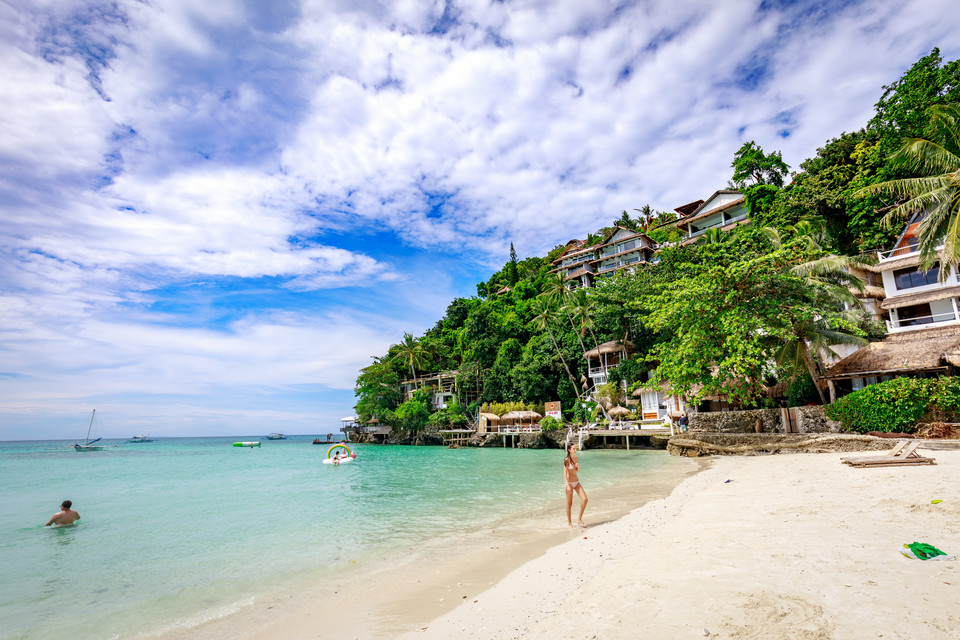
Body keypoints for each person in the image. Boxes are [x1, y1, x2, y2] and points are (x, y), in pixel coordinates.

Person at [564, 443, 588, 528]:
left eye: (575, 448)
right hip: (569, 484)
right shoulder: (567, 460)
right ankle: (569, 523)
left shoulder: (576, 458)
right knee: (569, 504)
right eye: (573, 449)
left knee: (585, 499)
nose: (575, 450)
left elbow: (577, 471)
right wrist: (566, 483)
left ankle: (579, 519)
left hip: (576, 482)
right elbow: (565, 472)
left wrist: (577, 466)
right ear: (569, 450)